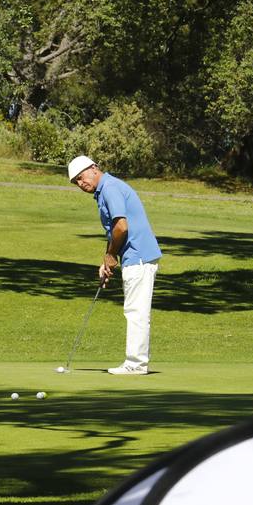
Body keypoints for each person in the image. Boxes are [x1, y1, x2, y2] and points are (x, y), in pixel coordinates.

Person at [67, 155, 162, 374]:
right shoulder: (106, 189)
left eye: (81, 178)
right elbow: (114, 231)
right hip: (135, 255)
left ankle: (136, 364)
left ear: (94, 168)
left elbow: (121, 226)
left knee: (136, 311)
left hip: (138, 255)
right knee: (134, 310)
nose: (81, 184)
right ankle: (135, 363)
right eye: (76, 183)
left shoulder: (109, 188)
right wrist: (107, 258)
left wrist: (111, 256)